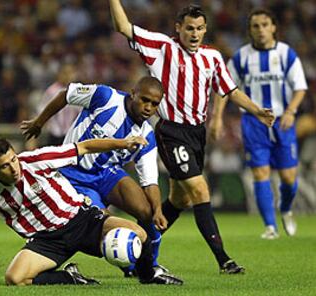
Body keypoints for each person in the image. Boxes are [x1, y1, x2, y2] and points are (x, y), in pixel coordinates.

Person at [109, 1, 275, 274]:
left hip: (197, 133)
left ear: (205, 29)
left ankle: (138, 248)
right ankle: (224, 260)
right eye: (189, 28)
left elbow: (230, 90)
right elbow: (123, 27)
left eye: (199, 28)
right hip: (171, 131)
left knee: (179, 201)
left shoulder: (212, 57)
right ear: (179, 28)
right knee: (200, 190)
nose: (194, 34)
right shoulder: (162, 47)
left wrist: (256, 110)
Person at [0, 137, 182, 286]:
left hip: (83, 219)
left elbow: (83, 147)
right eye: (4, 167)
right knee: (14, 279)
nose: (13, 168)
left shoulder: (36, 159)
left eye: (13, 160)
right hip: (48, 242)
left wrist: (124, 143)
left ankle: (148, 276)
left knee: (139, 233)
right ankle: (69, 278)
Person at [21, 76, 174, 278]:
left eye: (154, 104)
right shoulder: (105, 97)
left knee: (147, 211)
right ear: (133, 93)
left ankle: (149, 266)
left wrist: (158, 210)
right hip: (72, 174)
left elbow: (150, 181)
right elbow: (65, 95)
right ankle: (128, 266)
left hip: (106, 174)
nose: (148, 107)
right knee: (103, 224)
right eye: (144, 100)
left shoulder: (147, 135)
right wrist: (39, 122)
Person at [210, 9, 307, 239]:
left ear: (273, 27)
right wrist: (217, 118)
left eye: (265, 24)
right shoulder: (241, 58)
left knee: (288, 178)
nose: (261, 30)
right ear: (250, 30)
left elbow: (300, 87)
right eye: (255, 26)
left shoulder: (286, 54)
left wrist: (292, 111)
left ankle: (285, 208)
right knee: (260, 173)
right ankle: (270, 227)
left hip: (283, 121)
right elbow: (225, 89)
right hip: (253, 123)